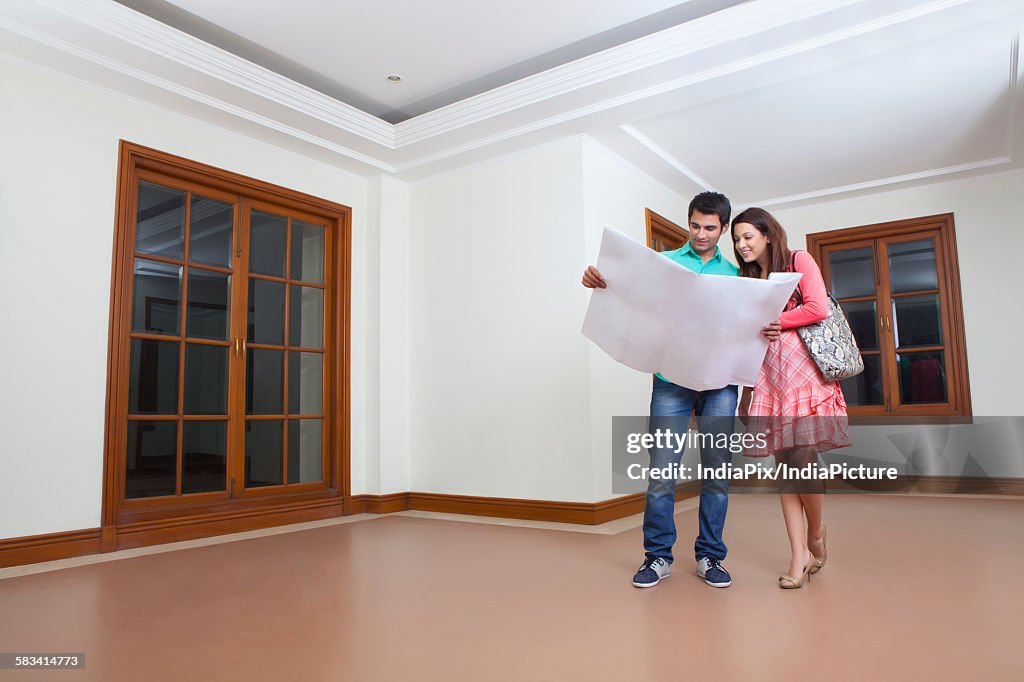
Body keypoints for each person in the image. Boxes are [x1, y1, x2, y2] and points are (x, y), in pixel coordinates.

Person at [582, 192, 742, 589]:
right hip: (671, 381)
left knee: (717, 473)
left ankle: (710, 556)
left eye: (709, 227)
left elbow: (746, 326)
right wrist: (599, 281)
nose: (700, 234)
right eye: (694, 225)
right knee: (661, 473)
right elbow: (631, 294)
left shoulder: (738, 276)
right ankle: (657, 557)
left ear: (723, 229)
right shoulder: (665, 263)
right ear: (688, 222)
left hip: (720, 383)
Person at [731, 207, 851, 589]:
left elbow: (816, 307)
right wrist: (747, 390)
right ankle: (798, 554)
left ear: (768, 235)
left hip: (804, 373)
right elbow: (748, 338)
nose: (741, 244)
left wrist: (779, 321)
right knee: (784, 466)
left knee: (803, 458)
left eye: (748, 236)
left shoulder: (798, 259)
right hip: (768, 376)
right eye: (736, 239)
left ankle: (816, 533)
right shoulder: (747, 278)